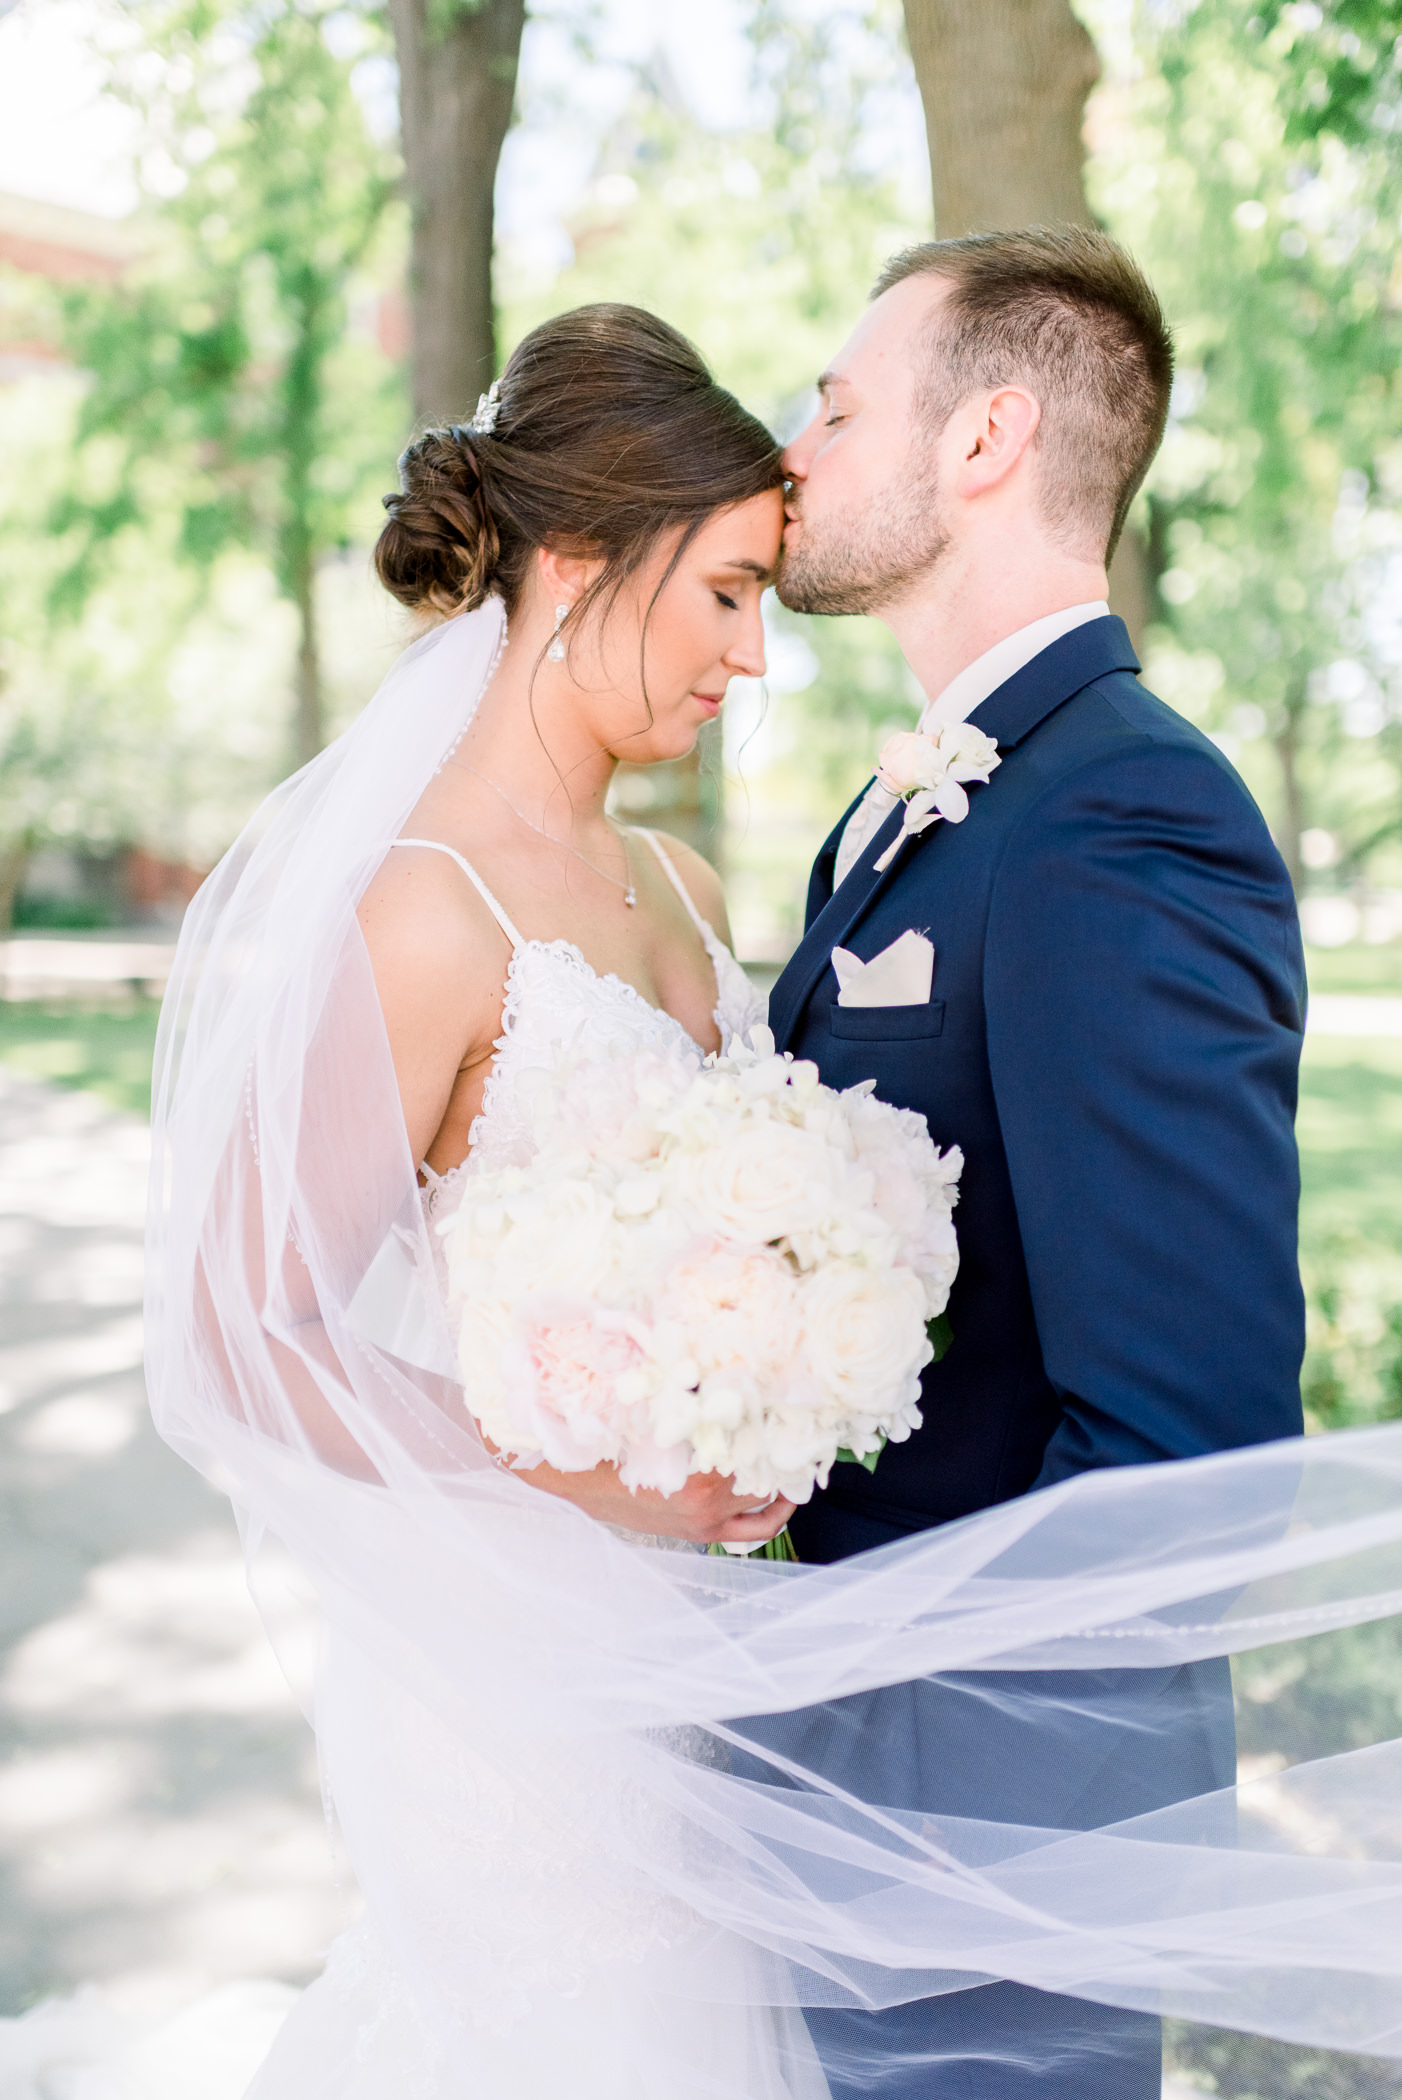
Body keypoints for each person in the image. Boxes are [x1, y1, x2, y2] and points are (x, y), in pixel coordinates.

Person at [767, 226, 1306, 2095]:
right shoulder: (917, 804)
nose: (794, 455)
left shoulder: (1126, 808)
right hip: (832, 1824)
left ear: (984, 438)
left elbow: (1187, 1447)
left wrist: (891, 1791)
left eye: (833, 407)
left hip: (978, 1875)